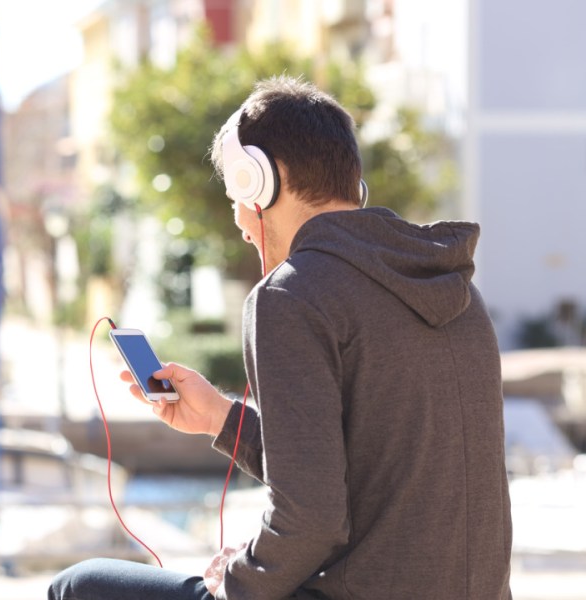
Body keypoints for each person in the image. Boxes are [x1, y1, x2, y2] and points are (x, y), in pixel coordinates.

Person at [48, 75, 512, 599]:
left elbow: (312, 519)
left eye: (235, 196)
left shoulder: (292, 296)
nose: (241, 224)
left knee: (79, 585)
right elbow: (351, 479)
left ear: (260, 182)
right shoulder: (453, 288)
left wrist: (236, 581)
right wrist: (221, 419)